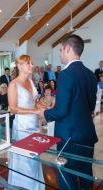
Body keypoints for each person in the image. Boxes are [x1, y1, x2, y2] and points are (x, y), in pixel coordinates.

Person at [39, 34, 98, 190]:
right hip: (87, 134)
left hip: (69, 138)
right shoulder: (91, 75)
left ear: (68, 49)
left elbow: (61, 111)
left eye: (60, 50)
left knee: (67, 177)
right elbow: (91, 106)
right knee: (86, 176)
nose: (59, 54)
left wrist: (44, 113)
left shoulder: (66, 74)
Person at [8, 55, 44, 190]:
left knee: (35, 158)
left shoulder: (30, 81)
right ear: (20, 66)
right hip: (22, 126)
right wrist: (35, 112)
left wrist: (41, 106)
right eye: (28, 63)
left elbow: (35, 102)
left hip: (34, 124)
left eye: (31, 63)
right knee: (24, 161)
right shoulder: (13, 84)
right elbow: (13, 108)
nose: (31, 66)